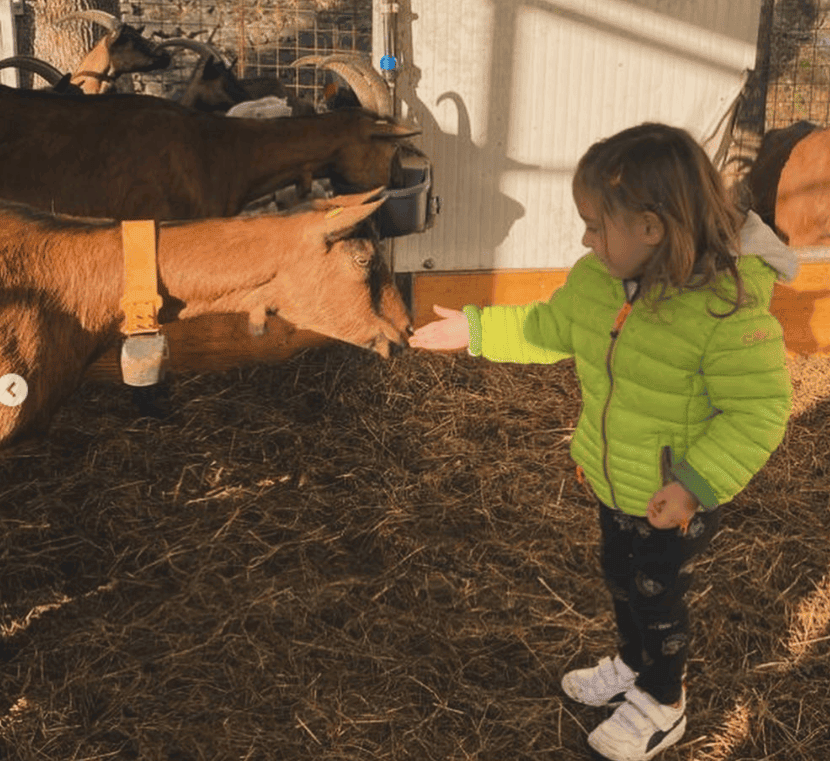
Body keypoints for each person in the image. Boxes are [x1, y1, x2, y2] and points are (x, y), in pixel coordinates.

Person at [408, 123, 794, 761]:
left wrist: (693, 486)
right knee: (622, 577)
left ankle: (663, 703)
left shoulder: (725, 311)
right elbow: (548, 326)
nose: (584, 237)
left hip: (675, 497)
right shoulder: (598, 280)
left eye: (594, 224)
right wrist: (477, 331)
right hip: (616, 482)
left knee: (658, 595)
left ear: (650, 227)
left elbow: (758, 409)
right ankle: (633, 662)